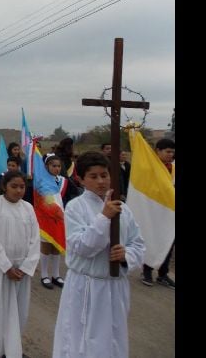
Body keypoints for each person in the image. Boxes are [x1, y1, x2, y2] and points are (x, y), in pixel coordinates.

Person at [52, 151, 145, 358]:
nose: (101, 181)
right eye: (93, 176)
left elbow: (138, 243)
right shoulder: (76, 207)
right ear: (81, 179)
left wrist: (126, 254)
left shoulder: (124, 209)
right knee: (82, 341)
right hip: (87, 286)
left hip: (115, 286)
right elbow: (82, 247)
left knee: (113, 339)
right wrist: (104, 218)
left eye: (104, 175)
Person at [0, 171, 40, 358]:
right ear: (4, 186)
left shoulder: (28, 208)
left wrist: (27, 266)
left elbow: (35, 239)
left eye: (22, 187)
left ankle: (13, 349)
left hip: (22, 271)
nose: (19, 191)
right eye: (14, 186)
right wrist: (6, 266)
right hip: (0, 269)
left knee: (19, 312)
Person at [38, 154, 79, 290]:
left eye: (58, 166)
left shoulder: (63, 180)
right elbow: (44, 200)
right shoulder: (42, 181)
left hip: (61, 217)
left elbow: (73, 195)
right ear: (46, 166)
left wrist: (67, 209)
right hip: (47, 217)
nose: (56, 168)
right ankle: (44, 275)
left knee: (57, 246)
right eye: (53, 166)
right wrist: (54, 211)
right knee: (46, 246)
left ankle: (56, 275)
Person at [141, 138, 176, 289]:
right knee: (151, 240)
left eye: (173, 152)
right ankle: (147, 271)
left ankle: (163, 273)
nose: (171, 155)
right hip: (153, 210)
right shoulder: (150, 168)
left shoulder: (173, 168)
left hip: (169, 212)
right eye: (168, 152)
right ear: (158, 151)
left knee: (168, 241)